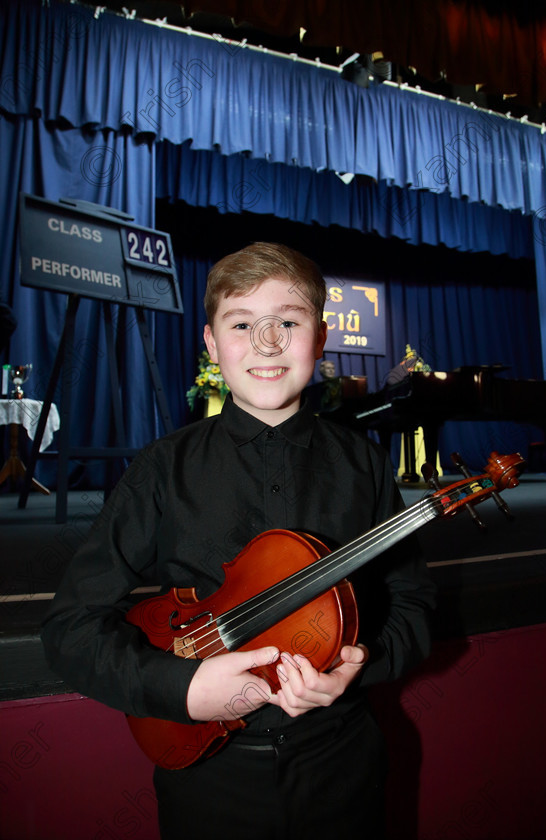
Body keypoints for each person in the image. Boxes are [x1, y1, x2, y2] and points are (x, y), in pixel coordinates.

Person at [42, 242, 436, 839]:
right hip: (209, 782)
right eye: (243, 323)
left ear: (321, 337)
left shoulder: (365, 465)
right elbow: (70, 628)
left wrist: (361, 663)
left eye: (288, 321)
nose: (267, 343)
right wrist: (185, 688)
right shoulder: (162, 469)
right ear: (210, 344)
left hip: (343, 768)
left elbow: (414, 608)